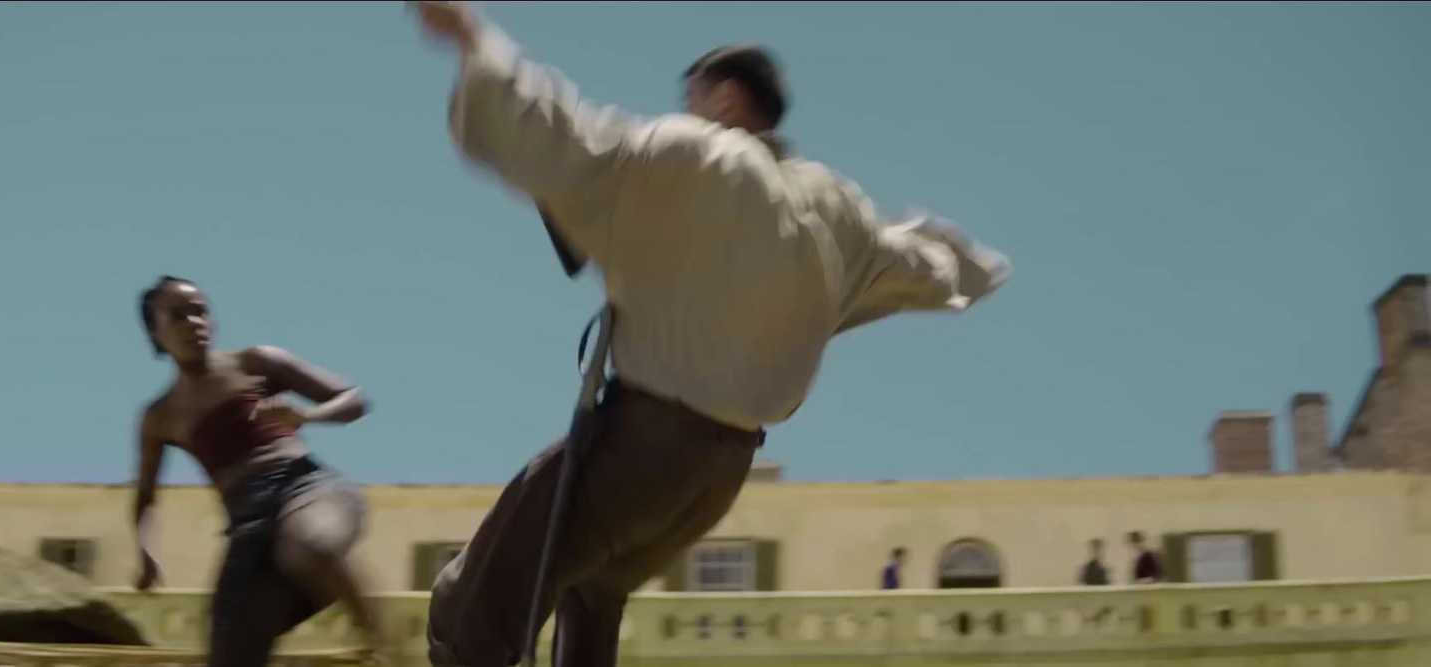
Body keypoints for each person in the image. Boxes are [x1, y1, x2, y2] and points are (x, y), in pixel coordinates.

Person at [407, 3, 1012, 666]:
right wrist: (974, 266)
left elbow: (566, 140)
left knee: (473, 606)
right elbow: (923, 265)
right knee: (591, 591)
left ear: (724, 97)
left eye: (692, 96)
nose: (688, 109)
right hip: (717, 477)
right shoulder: (836, 206)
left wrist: (474, 38)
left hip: (643, 447)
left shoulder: (700, 157)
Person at [129, 276, 388, 667]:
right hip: (247, 528)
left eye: (200, 311)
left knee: (309, 545)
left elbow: (353, 399)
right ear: (155, 331)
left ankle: (383, 645)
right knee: (228, 649)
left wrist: (307, 415)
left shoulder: (257, 362)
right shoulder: (159, 417)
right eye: (178, 315)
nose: (194, 323)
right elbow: (146, 498)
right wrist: (145, 549)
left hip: (307, 488)